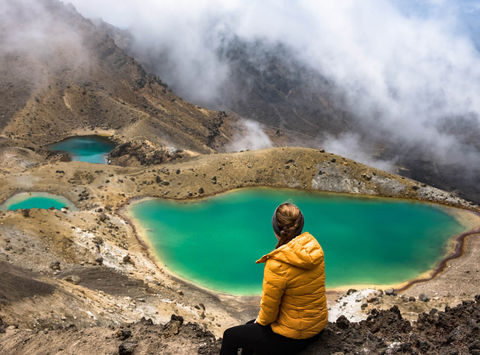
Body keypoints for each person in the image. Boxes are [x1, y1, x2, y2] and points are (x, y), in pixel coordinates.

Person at [220, 202, 328, 355]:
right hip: (316, 327)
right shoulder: (314, 249)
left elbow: (268, 314)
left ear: (276, 230)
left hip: (295, 336)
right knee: (248, 328)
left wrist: (260, 322)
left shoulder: (277, 264)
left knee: (230, 336)